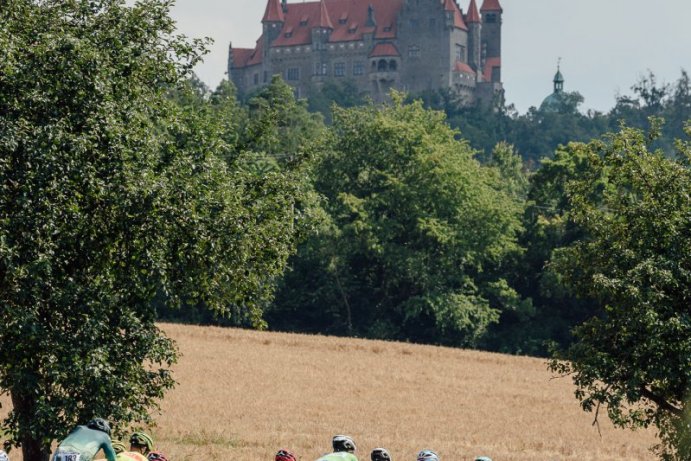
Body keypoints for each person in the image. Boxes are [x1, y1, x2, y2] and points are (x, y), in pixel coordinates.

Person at [52, 418, 117, 461]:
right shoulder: (105, 436)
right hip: (79, 456)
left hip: (60, 452)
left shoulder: (80, 428)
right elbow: (112, 457)